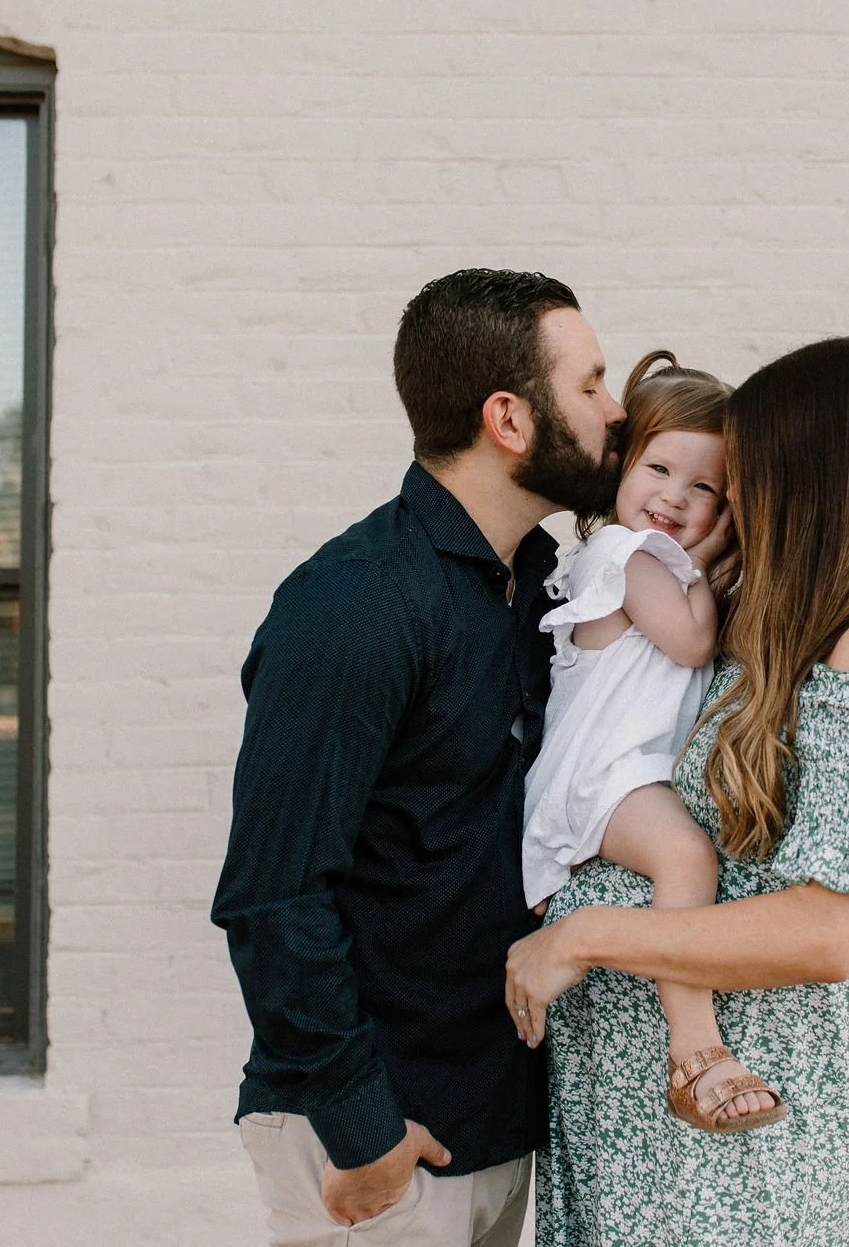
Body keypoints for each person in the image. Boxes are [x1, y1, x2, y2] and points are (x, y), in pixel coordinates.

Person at [504, 336, 849, 1247]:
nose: (726, 499)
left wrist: (583, 933)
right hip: (634, 1133)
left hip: (726, 1154)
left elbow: (826, 930)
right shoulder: (769, 624)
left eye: (744, 475)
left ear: (816, 477)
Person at [213, 269, 626, 1247]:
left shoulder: (541, 590)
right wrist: (364, 1135)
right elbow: (271, 897)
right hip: (378, 1134)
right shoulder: (352, 606)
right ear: (509, 419)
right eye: (591, 385)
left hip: (492, 1117)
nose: (617, 413)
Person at [518, 351, 783, 1136]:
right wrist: (709, 554)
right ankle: (696, 1048)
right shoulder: (626, 556)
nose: (675, 496)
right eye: (660, 468)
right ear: (621, 468)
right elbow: (696, 640)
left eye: (704, 488)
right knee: (688, 857)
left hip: (619, 773)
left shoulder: (650, 561)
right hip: (603, 776)